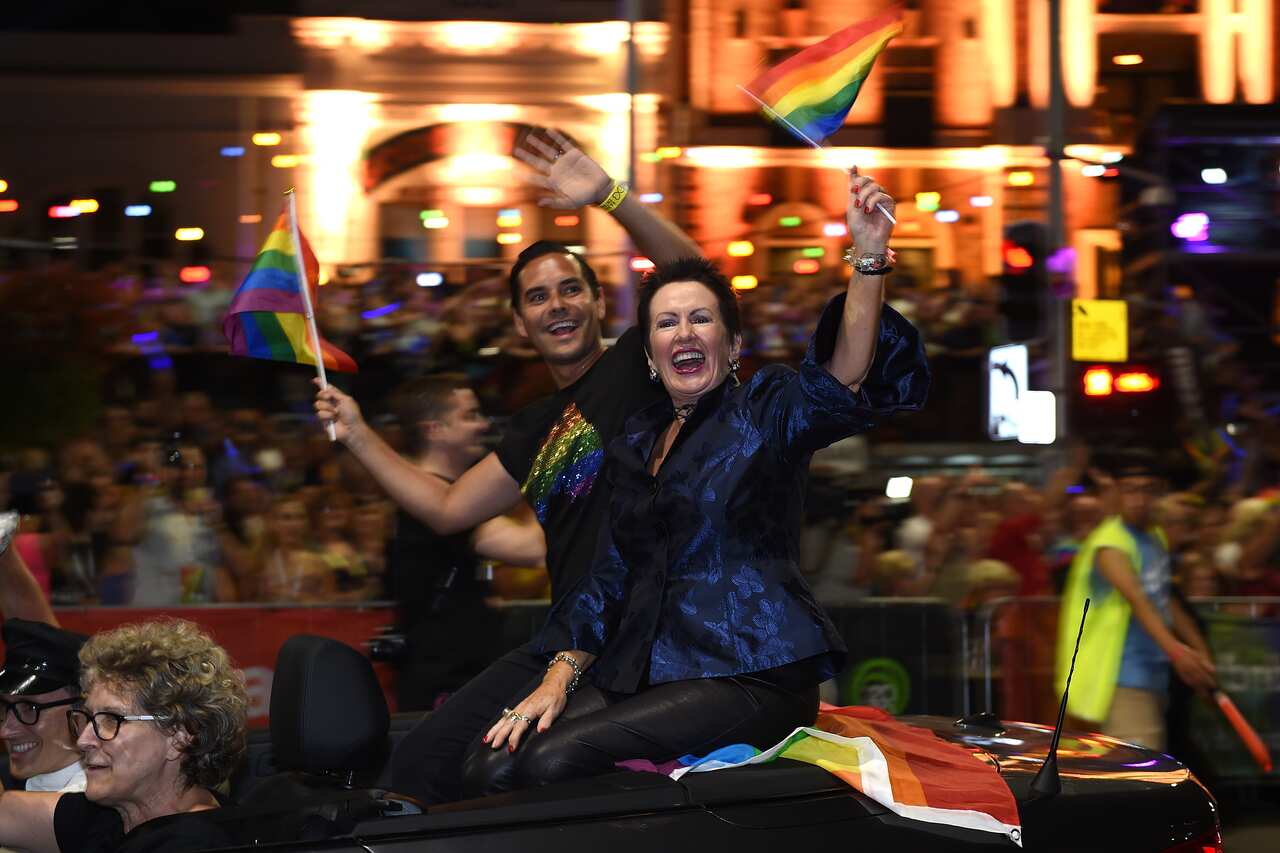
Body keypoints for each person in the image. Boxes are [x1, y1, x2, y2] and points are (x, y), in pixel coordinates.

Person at [472, 171, 930, 791]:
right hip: (650, 670)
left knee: (552, 760)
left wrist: (868, 257)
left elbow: (842, 374)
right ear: (651, 356)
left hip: (752, 673)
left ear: (732, 342)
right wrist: (556, 678)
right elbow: (610, 576)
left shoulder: (764, 410)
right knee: (492, 765)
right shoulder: (635, 444)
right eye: (665, 323)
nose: (682, 333)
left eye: (699, 319)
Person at [316, 127, 702, 803]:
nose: (556, 304)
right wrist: (355, 433)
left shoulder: (638, 363)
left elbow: (694, 276)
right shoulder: (531, 426)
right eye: (537, 296)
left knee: (526, 774)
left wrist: (612, 197)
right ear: (521, 323)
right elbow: (446, 507)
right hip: (565, 641)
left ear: (594, 299)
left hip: (646, 640)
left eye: (569, 288)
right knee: (418, 765)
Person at [0, 619, 247, 853]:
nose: (84, 739)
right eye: (87, 718)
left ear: (179, 736)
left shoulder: (200, 842)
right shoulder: (113, 816)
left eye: (111, 720)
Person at [385, 374, 545, 711]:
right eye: (469, 415)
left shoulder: (433, 494)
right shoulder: (433, 502)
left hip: (452, 671)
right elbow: (533, 549)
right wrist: (541, 465)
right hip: (444, 681)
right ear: (435, 430)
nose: (483, 424)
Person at [1055, 454, 1217, 750]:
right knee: (1142, 775)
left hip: (1153, 672)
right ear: (1116, 493)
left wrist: (1200, 653)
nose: (1139, 499)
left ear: (1160, 493)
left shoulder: (1154, 536)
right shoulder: (1110, 543)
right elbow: (1137, 599)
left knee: (1143, 772)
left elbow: (1164, 598)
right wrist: (1180, 655)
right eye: (1130, 490)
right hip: (1118, 675)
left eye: (1148, 489)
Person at [0, 619, 88, 797]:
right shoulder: (7, 776)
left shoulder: (103, 806)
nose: (5, 732)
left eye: (30, 708)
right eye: (4, 707)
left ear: (83, 712)